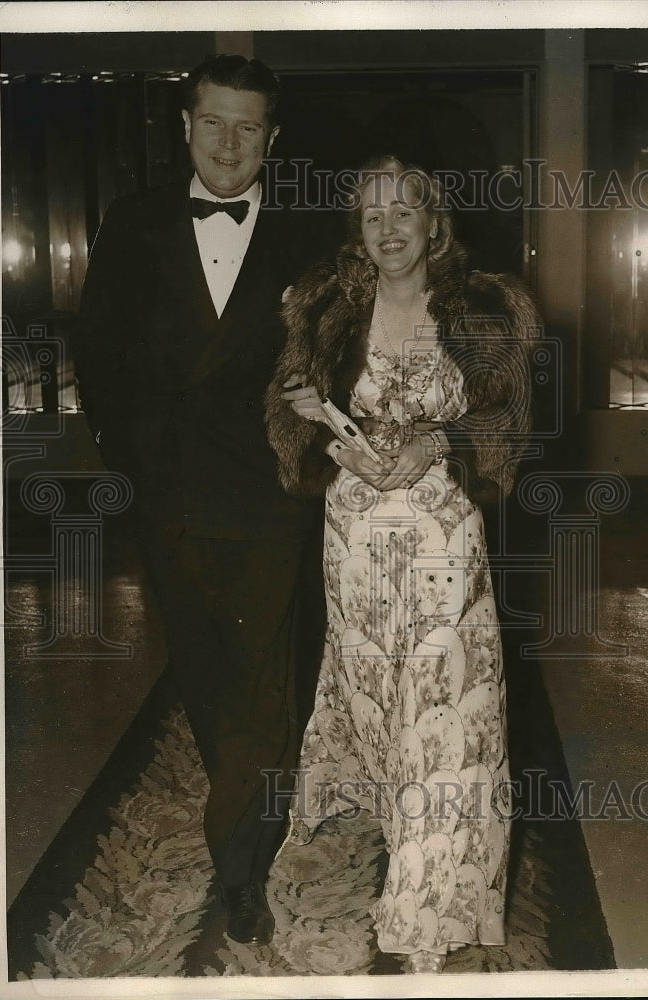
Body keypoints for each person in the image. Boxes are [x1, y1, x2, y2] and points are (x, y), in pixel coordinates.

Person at [265, 156, 540, 972]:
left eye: (403, 213)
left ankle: (427, 904)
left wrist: (440, 442)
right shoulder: (324, 309)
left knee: (446, 707)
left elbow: (512, 419)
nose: (387, 229)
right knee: (378, 701)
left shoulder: (484, 310)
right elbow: (286, 411)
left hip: (440, 534)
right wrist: (309, 415)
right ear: (359, 228)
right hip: (351, 533)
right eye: (372, 215)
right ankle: (396, 839)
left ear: (432, 223)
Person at [74, 54, 324, 946]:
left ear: (272, 138)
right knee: (210, 676)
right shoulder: (134, 222)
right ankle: (243, 811)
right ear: (185, 126)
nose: (228, 144)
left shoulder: (307, 236)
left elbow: (339, 358)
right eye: (212, 122)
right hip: (170, 496)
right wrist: (133, 459)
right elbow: (96, 354)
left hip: (267, 498)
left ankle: (243, 872)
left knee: (260, 683)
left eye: (247, 127)